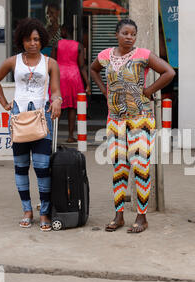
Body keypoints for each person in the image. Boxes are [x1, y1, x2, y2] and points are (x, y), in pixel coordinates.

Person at [91, 19, 175, 233]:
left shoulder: (143, 55)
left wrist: (149, 91)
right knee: (119, 167)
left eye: (133, 34)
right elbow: (92, 70)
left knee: (140, 167)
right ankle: (118, 215)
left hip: (141, 119)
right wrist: (103, 89)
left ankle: (141, 216)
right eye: (125, 33)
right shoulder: (105, 56)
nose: (129, 37)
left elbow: (169, 72)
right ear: (116, 34)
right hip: (115, 120)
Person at [0, 18, 62, 232]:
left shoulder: (50, 63)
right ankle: (27, 210)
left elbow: (55, 89)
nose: (33, 43)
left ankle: (45, 212)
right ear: (21, 40)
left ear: (42, 41)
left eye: (37, 39)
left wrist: (57, 100)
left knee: (42, 168)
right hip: (18, 118)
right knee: (21, 167)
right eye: (29, 39)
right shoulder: (13, 61)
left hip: (42, 117)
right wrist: (4, 104)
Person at [51, 24, 91, 143]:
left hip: (59, 76)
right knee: (72, 107)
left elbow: (52, 62)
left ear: (63, 31)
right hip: (74, 76)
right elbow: (82, 66)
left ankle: (54, 136)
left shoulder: (56, 44)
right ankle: (70, 136)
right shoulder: (78, 45)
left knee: (57, 105)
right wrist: (87, 84)